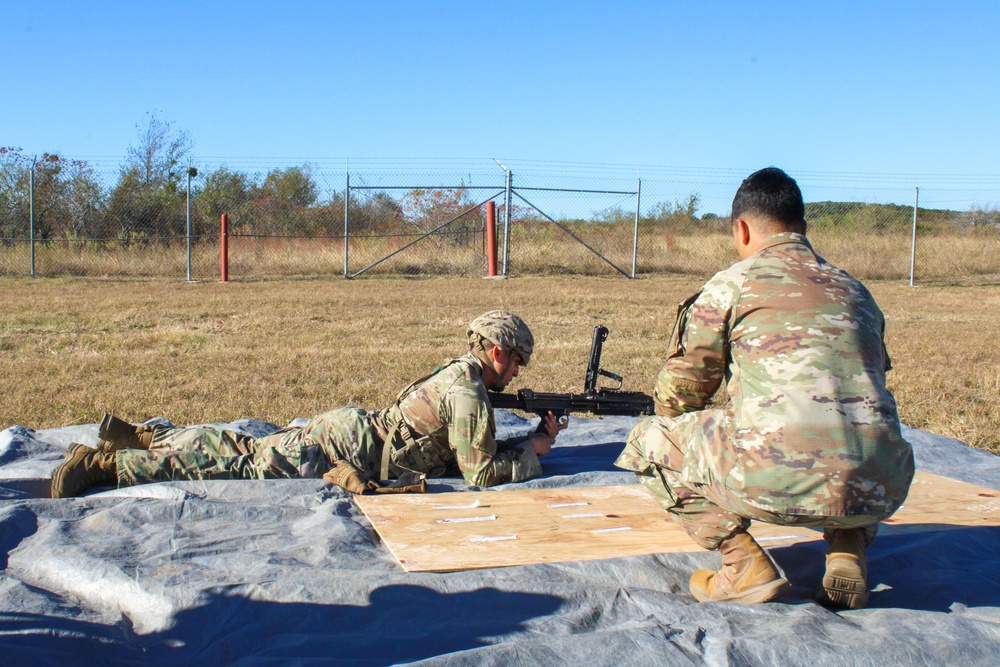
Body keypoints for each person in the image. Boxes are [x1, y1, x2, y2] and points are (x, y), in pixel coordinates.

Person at [615, 168, 914, 609]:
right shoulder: (857, 290)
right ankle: (847, 548)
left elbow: (680, 395)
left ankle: (743, 564)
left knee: (647, 441)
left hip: (771, 478)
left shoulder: (732, 284)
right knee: (847, 434)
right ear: (804, 229)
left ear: (741, 228)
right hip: (881, 481)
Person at [51, 310, 567, 498]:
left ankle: (140, 435)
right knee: (237, 467)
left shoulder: (461, 372)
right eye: (518, 360)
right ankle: (106, 466)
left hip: (349, 429)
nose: (518, 370)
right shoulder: (470, 392)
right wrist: (534, 450)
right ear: (498, 352)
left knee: (244, 443)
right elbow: (478, 474)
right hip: (347, 453)